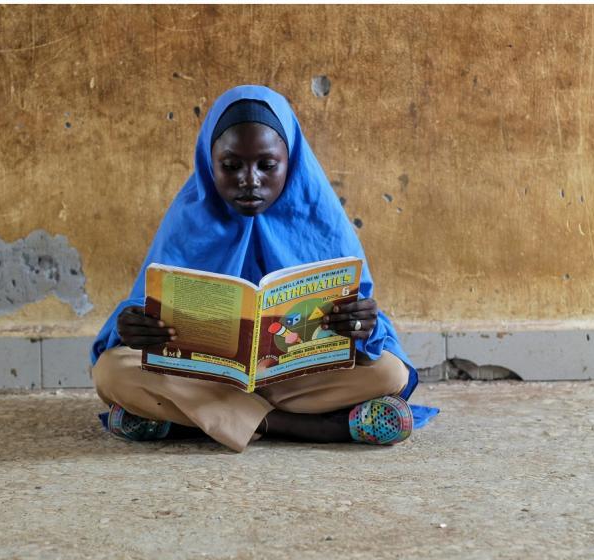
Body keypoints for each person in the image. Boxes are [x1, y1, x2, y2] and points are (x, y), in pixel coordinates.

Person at [90, 85, 438, 452]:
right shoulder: (187, 221)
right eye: (231, 165)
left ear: (291, 161)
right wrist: (132, 327)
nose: (250, 180)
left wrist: (362, 325)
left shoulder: (322, 220)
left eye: (267, 165)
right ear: (210, 163)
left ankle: (196, 419)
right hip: (209, 377)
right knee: (112, 372)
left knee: (389, 372)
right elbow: (138, 314)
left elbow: (367, 330)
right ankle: (305, 427)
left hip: (290, 380)